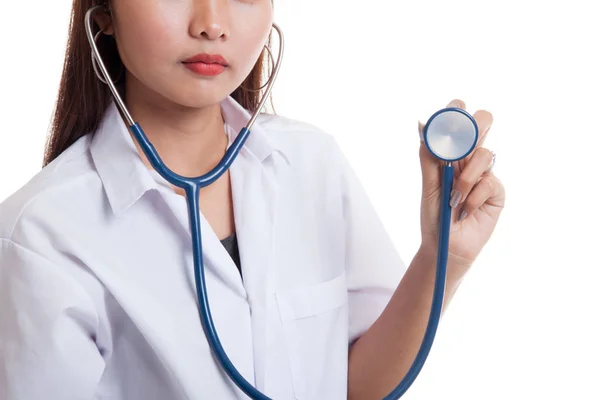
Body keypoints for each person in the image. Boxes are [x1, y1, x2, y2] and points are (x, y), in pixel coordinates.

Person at [0, 0, 506, 399]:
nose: (212, 23)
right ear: (105, 11)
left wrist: (443, 257)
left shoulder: (311, 163)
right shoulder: (40, 235)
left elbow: (355, 388)